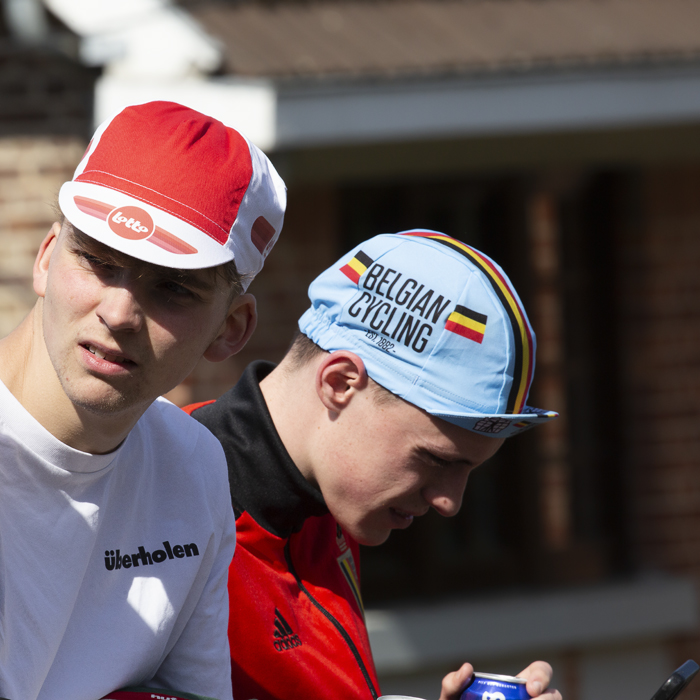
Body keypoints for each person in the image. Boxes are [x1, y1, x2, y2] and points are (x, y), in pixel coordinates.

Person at [185, 229, 561, 700]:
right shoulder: (146, 502)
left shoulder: (330, 492)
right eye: (435, 459)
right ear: (340, 383)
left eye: (469, 470)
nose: (450, 501)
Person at [0, 100, 286, 700]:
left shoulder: (193, 465)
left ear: (231, 329)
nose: (119, 312)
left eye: (172, 287)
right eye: (99, 262)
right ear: (48, 257)